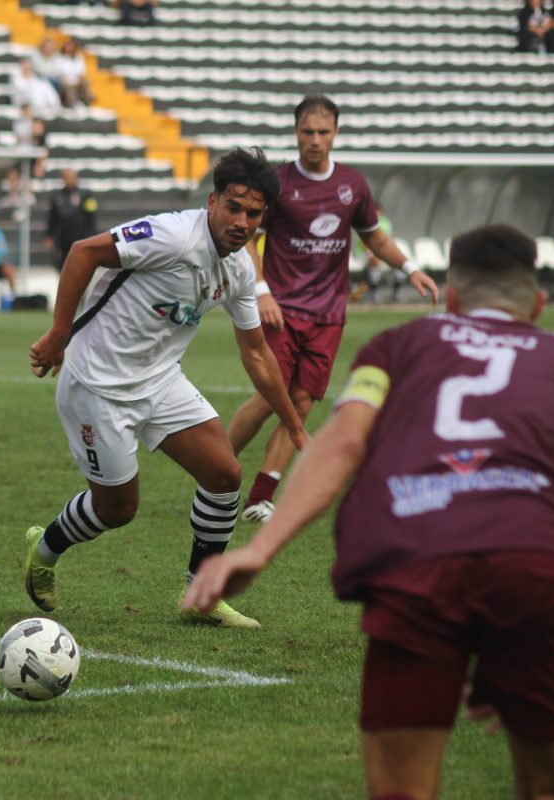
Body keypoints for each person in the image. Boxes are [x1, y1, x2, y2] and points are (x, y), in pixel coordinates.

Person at [184, 223, 554, 800]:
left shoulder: (399, 346)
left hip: (418, 566)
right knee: (550, 789)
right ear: (538, 304)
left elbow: (341, 443)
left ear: (454, 300)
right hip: (536, 574)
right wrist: (521, 645)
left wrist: (261, 548)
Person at [24, 147, 309, 629]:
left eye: (254, 213)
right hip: (97, 384)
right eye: (234, 207)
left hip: (159, 380)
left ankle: (202, 593)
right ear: (213, 200)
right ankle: (44, 548)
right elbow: (83, 252)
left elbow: (258, 354)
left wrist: (295, 427)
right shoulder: (172, 235)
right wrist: (58, 334)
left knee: (223, 473)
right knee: (118, 508)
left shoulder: (238, 270)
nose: (242, 221)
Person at [227, 94, 438, 523]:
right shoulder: (278, 182)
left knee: (302, 400)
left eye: (323, 132)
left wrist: (410, 268)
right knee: (273, 395)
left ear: (336, 133)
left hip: (329, 312)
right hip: (282, 308)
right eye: (308, 132)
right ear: (296, 132)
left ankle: (261, 494)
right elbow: (249, 236)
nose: (315, 140)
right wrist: (262, 290)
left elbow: (374, 237)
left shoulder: (353, 185)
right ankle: (213, 465)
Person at [45, 169, 98, 271]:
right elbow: (52, 217)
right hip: (62, 237)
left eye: (71, 178)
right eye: (66, 178)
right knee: (63, 264)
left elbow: (91, 215)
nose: (69, 180)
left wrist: (92, 234)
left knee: (81, 263)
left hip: (80, 236)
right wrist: (49, 235)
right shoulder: (57, 196)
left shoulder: (86, 195)